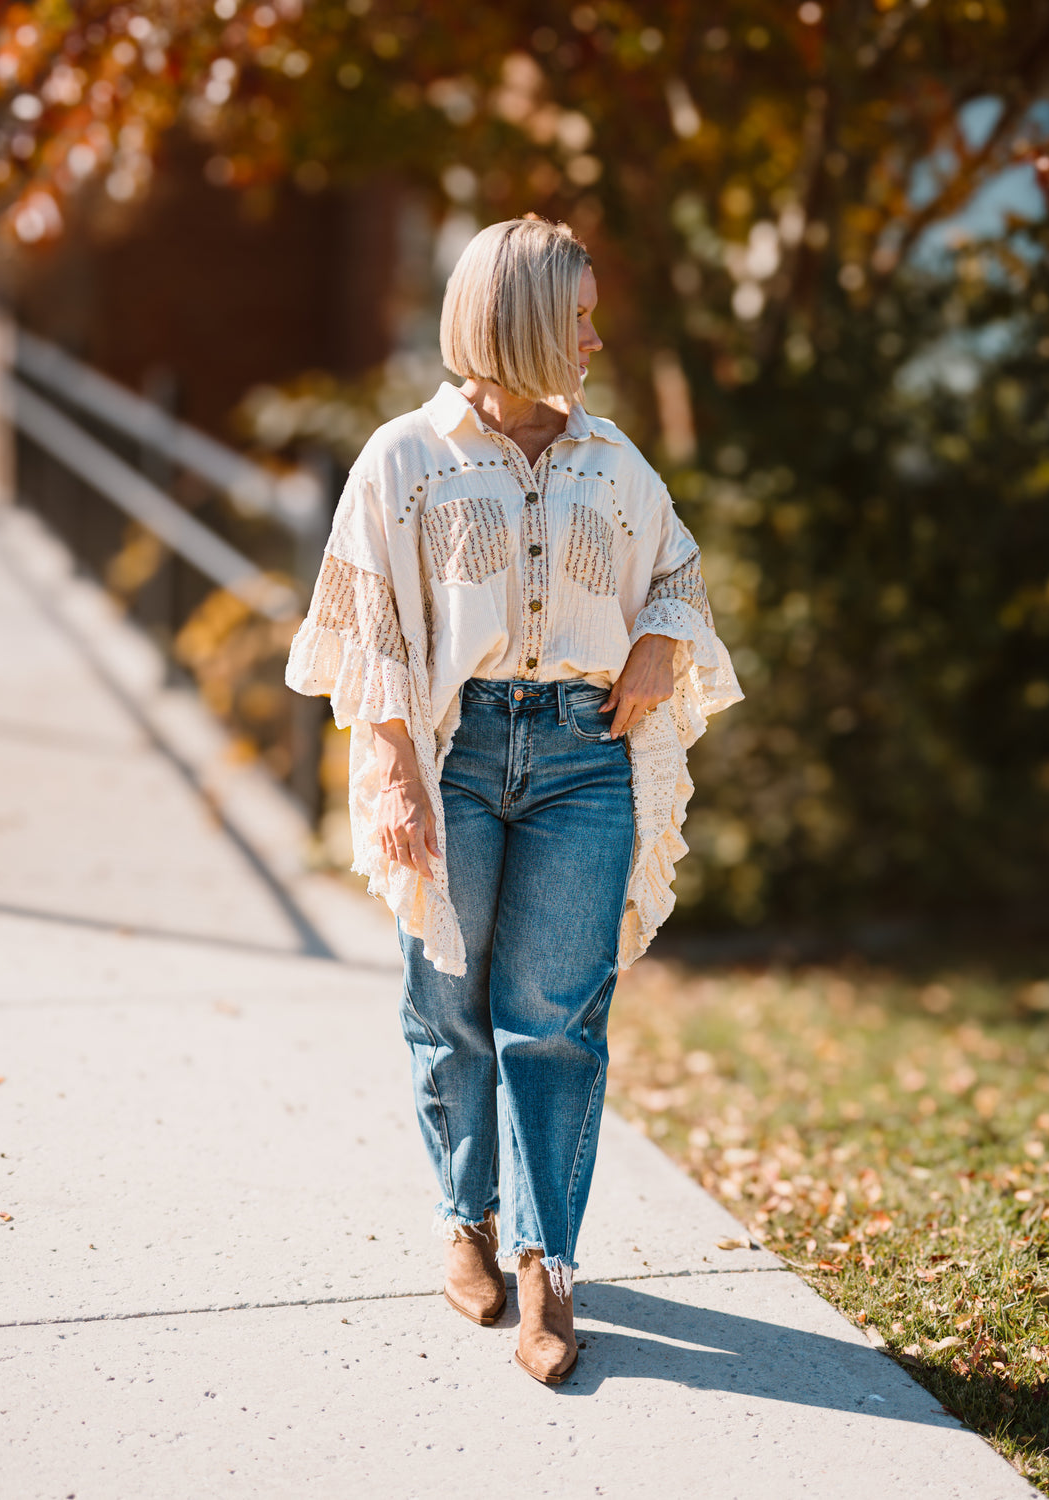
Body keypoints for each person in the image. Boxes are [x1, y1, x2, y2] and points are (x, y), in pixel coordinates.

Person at [285, 214, 742, 1384]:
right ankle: (466, 1223)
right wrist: (390, 764)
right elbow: (367, 624)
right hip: (458, 753)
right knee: (449, 1004)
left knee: (556, 1018)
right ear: (526, 319)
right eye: (578, 315)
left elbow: (678, 577)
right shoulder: (405, 458)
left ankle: (550, 1266)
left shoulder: (616, 464)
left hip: (587, 759)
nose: (594, 337)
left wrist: (654, 643)